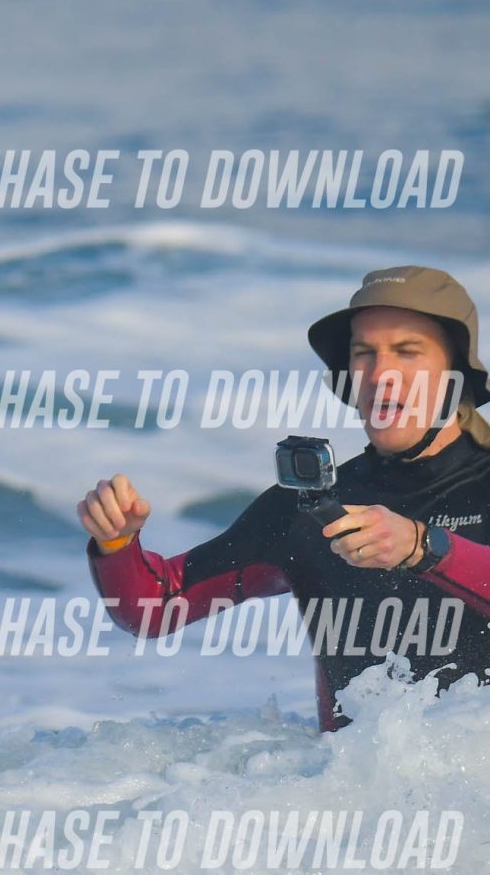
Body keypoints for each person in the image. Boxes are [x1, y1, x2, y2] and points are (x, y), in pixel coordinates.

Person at [78, 265, 490, 727]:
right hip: (351, 773)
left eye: (407, 351)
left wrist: (422, 547)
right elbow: (154, 608)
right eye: (364, 353)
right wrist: (117, 543)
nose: (381, 374)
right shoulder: (311, 506)